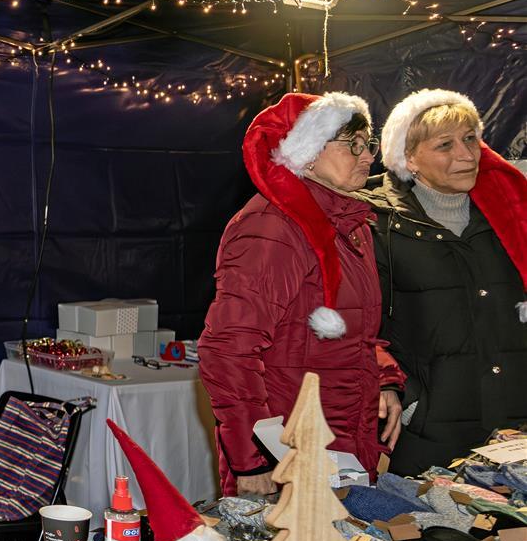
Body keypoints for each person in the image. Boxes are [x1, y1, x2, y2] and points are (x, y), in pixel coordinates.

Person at [199, 93, 406, 497]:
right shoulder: (272, 226)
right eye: (353, 146)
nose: (368, 158)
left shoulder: (351, 226)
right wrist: (252, 457)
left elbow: (356, 332)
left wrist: (384, 380)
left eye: (370, 145)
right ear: (308, 153)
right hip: (288, 453)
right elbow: (227, 350)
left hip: (343, 444)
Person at [358, 89, 527, 475]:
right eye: (445, 145)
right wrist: (411, 401)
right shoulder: (375, 223)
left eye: (470, 139)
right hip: (430, 435)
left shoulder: (511, 212)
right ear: (409, 158)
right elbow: (360, 326)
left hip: (516, 426)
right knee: (436, 532)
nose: (467, 155)